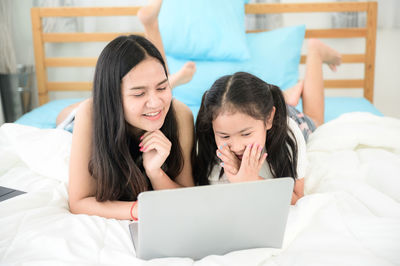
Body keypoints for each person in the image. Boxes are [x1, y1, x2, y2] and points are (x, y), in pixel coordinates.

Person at [67, 0, 195, 221]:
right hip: (73, 123)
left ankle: (164, 78)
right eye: (139, 93)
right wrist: (137, 210)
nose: (155, 102)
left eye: (163, 86)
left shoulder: (181, 114)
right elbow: (78, 202)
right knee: (68, 113)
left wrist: (156, 173)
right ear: (113, 96)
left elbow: (186, 196)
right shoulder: (90, 112)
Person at [193, 39, 341, 204]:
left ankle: (316, 52)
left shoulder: (290, 134)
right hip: (263, 113)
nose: (236, 146)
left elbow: (297, 198)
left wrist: (252, 180)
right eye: (224, 136)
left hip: (287, 119)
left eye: (246, 134)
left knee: (315, 121)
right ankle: (286, 96)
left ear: (268, 119)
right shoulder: (206, 138)